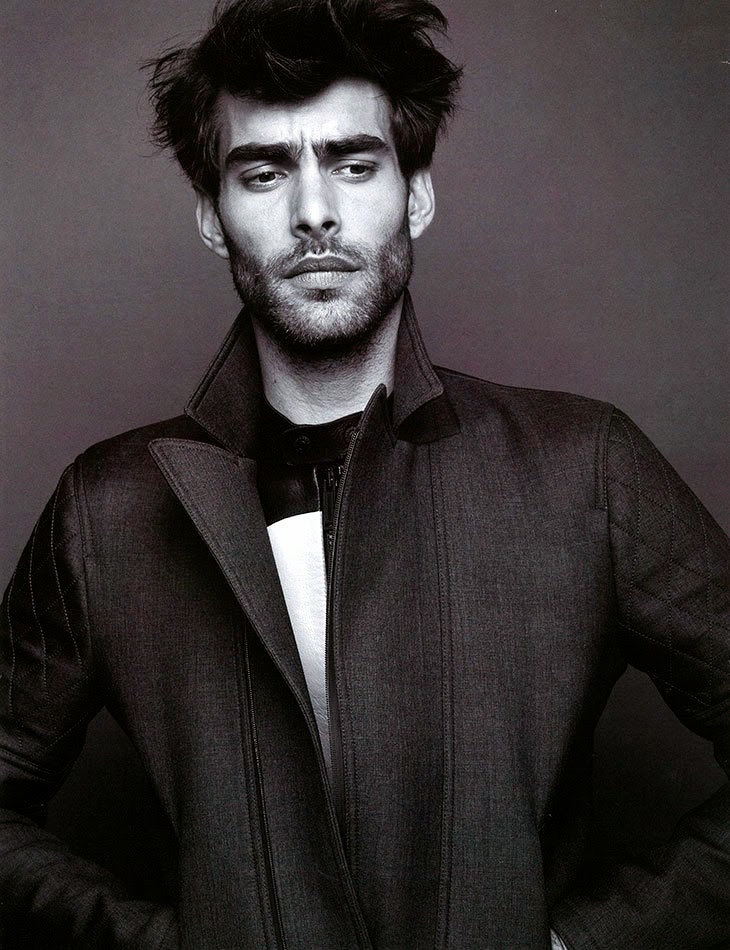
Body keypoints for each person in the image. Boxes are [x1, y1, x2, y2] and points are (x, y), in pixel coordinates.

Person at [1, 0, 728, 947]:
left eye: (354, 163)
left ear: (415, 194)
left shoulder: (583, 467)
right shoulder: (107, 511)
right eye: (264, 172)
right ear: (213, 217)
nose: (314, 213)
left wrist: (582, 946)